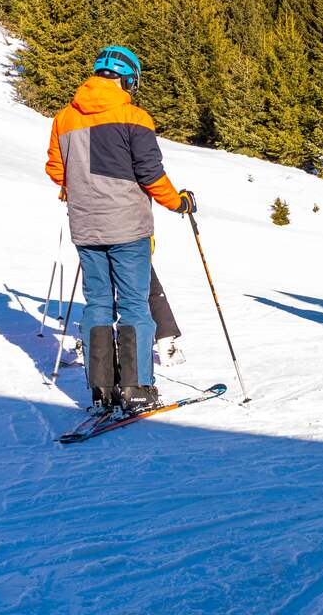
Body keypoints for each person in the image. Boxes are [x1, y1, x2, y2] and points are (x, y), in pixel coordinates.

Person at [45, 46, 195, 412]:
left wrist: (80, 189)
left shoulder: (64, 118)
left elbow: (55, 169)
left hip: (85, 225)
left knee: (97, 303)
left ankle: (102, 390)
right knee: (133, 305)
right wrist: (178, 202)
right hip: (128, 226)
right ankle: (138, 388)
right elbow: (149, 173)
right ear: (128, 78)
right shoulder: (134, 117)